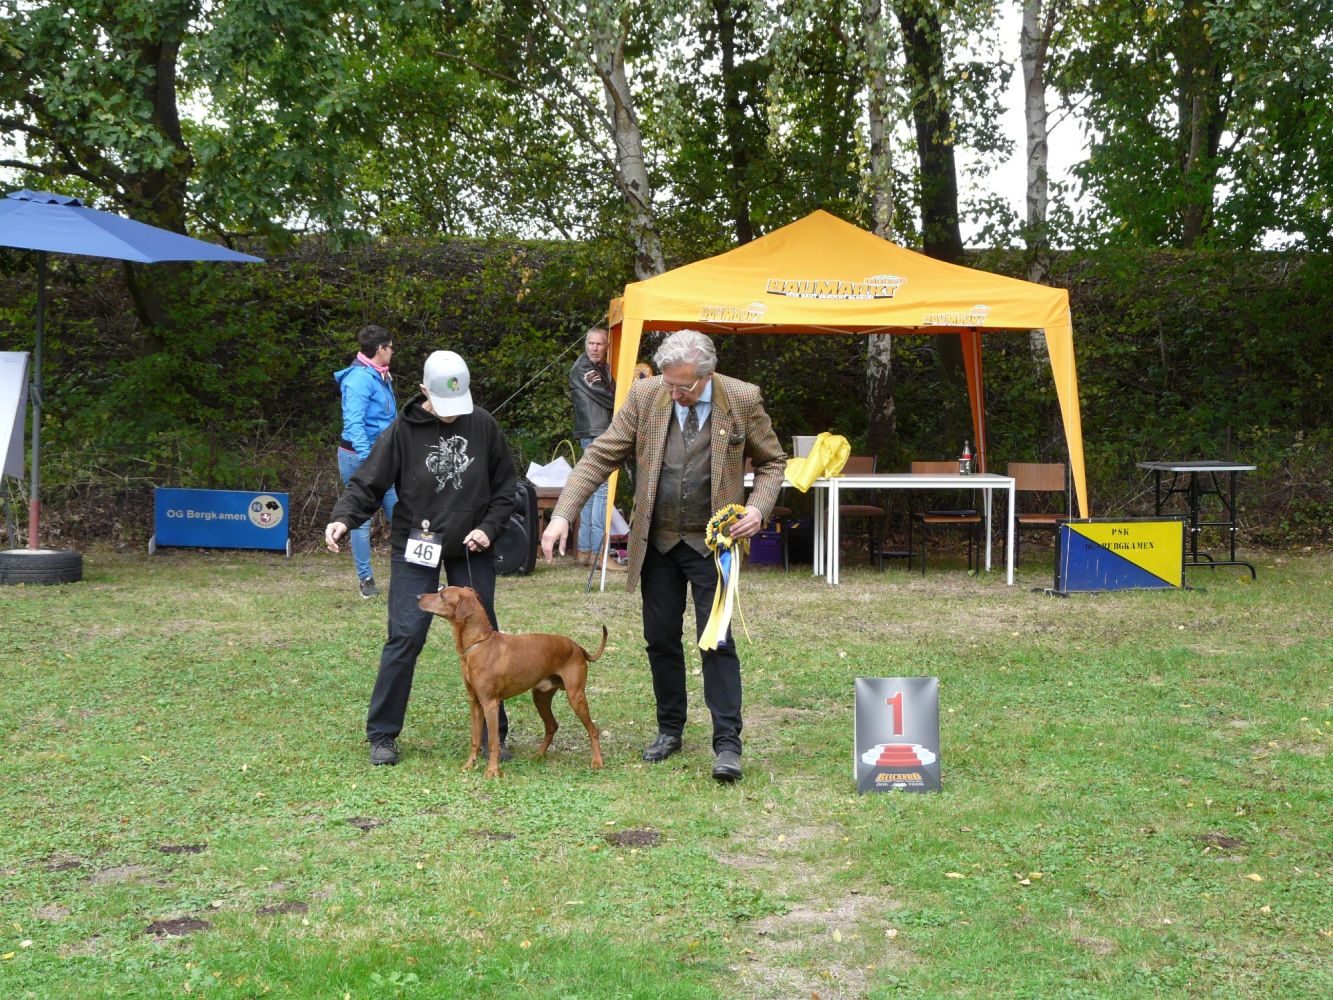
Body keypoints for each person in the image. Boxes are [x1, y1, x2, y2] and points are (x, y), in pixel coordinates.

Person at [540, 330, 786, 783]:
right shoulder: (645, 395)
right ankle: (670, 730)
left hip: (714, 545)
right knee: (660, 640)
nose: (673, 393)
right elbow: (599, 456)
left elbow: (772, 462)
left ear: (707, 375)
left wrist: (757, 509)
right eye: (669, 383)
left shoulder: (742, 398)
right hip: (658, 543)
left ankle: (727, 743)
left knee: (717, 641)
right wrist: (561, 515)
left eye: (683, 386)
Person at [326, 350, 517, 767]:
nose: (452, 412)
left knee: (485, 636)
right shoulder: (402, 431)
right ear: (423, 391)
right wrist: (343, 517)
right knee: (406, 635)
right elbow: (368, 483)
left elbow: (507, 488)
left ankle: (494, 734)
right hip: (418, 544)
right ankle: (382, 733)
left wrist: (489, 527)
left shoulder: (483, 424)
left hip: (472, 546)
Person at [334, 325, 400, 598]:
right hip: (360, 458)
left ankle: (416, 576)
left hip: (383, 456)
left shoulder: (380, 375)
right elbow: (354, 424)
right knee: (360, 520)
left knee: (401, 514)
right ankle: (366, 579)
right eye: (391, 347)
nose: (393, 351)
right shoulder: (359, 379)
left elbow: (388, 419)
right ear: (380, 349)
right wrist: (368, 461)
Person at [568, 327, 617, 567]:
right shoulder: (585, 369)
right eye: (591, 343)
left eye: (599, 344)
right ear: (585, 345)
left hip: (594, 431)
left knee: (591, 491)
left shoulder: (600, 367)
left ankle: (585, 552)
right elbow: (609, 396)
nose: (594, 348)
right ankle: (600, 554)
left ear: (606, 347)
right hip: (596, 432)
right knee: (602, 490)